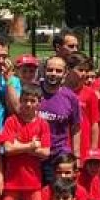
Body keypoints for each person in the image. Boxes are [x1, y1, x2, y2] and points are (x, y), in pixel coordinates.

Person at [1, 85, 51, 200]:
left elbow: (45, 153)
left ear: (39, 103)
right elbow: (7, 149)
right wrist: (31, 146)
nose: (28, 104)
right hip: (12, 183)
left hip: (34, 183)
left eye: (32, 101)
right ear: (20, 101)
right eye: (24, 100)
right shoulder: (11, 121)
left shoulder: (43, 124)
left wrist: (18, 145)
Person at [38, 56, 82, 185]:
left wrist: (77, 156)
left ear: (65, 73)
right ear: (44, 70)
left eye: (58, 71)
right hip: (35, 154)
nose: (53, 74)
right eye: (50, 70)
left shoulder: (70, 97)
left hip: (58, 155)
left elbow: (75, 128)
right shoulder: (33, 92)